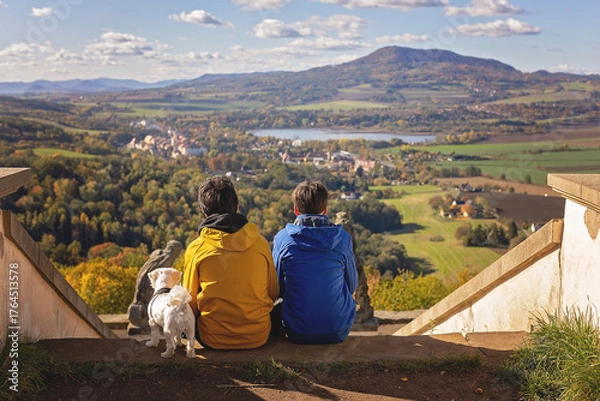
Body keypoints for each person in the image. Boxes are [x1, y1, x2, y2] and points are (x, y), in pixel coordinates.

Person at [183, 176, 279, 349]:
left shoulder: (197, 249)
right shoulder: (260, 243)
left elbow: (189, 303)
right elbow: (272, 293)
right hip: (258, 335)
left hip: (213, 338)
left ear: (204, 213)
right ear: (237, 207)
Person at [272, 179, 358, 344]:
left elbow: (277, 288)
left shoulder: (282, 239)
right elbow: (352, 285)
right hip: (337, 330)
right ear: (325, 210)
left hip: (297, 331)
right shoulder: (343, 239)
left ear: (296, 210)